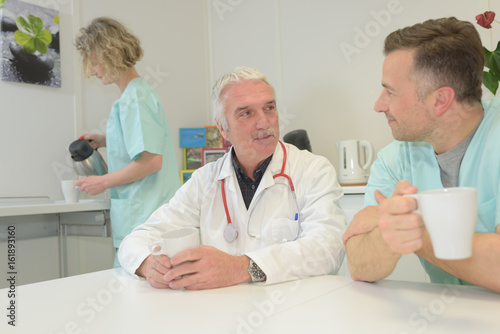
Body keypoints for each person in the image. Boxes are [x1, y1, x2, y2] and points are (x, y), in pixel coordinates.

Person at [118, 67, 345, 290]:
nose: (264, 122)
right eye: (246, 113)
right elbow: (135, 241)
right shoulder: (204, 181)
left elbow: (328, 249)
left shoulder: (313, 170)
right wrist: (148, 264)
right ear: (223, 128)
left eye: (269, 108)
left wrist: (240, 268)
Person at [343, 17, 500, 292]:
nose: (379, 105)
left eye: (390, 92)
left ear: (440, 100)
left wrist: (410, 232)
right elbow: (359, 263)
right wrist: (387, 234)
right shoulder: (395, 158)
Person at [74, 17, 181, 267]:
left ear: (109, 55)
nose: (92, 70)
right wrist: (105, 139)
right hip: (144, 217)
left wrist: (102, 181)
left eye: (95, 62)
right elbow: (142, 145)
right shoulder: (137, 94)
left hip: (146, 220)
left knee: (134, 294)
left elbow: (151, 162)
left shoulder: (135, 99)